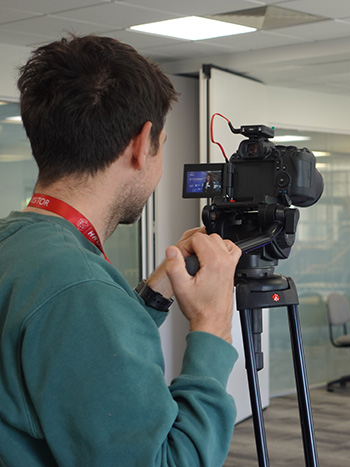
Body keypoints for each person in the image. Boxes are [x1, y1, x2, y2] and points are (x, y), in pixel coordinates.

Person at [0, 35, 242, 466]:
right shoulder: (79, 288)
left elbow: (51, 363)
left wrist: (152, 296)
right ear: (140, 143)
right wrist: (212, 326)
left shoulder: (20, 245)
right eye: (162, 146)